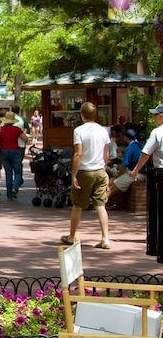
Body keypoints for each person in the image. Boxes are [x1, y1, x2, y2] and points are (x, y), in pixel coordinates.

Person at [62, 102, 111, 249]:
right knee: (100, 205)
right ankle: (105, 238)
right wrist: (104, 168)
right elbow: (106, 154)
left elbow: (78, 154)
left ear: (82, 115)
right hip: (100, 170)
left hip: (85, 171)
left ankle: (71, 236)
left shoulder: (79, 131)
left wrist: (74, 174)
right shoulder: (103, 130)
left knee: (77, 204)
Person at [0, 111, 28, 199]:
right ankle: (15, 187)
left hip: (4, 152)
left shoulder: (0, 129)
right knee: (18, 172)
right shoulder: (17, 129)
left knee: (8, 173)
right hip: (15, 151)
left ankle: (9, 194)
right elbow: (25, 138)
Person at [131, 104, 163, 188]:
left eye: (155, 115)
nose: (153, 117)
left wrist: (136, 169)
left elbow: (146, 154)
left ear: (161, 116)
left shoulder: (157, 132)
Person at [109, 129, 144, 196]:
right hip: (138, 172)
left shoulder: (130, 148)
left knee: (112, 186)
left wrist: (118, 177)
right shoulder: (139, 145)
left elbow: (124, 166)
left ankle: (100, 203)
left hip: (136, 174)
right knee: (112, 181)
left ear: (125, 137)